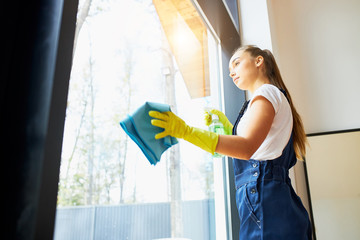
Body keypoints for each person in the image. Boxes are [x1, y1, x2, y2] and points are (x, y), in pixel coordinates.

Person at [149, 45, 312, 240]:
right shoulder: (267, 98)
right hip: (271, 199)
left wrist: (185, 131)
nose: (231, 72)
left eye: (236, 63)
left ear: (258, 61)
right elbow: (258, 147)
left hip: (265, 198)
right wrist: (230, 130)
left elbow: (246, 148)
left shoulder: (266, 93)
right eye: (228, 70)